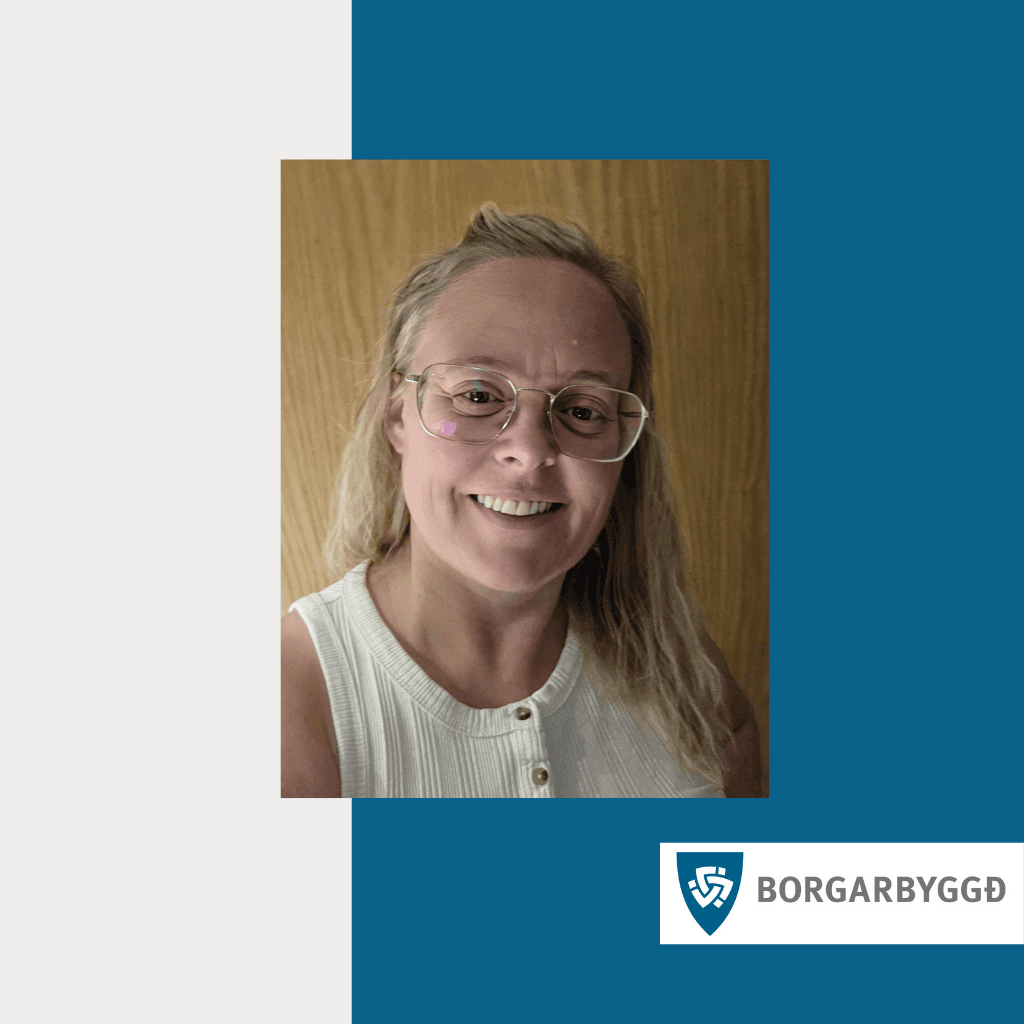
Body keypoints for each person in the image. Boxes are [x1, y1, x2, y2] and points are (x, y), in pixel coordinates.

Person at [282, 204, 762, 798]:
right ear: (398, 415)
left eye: (582, 410)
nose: (531, 451)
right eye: (477, 395)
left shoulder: (677, 668)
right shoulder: (293, 698)